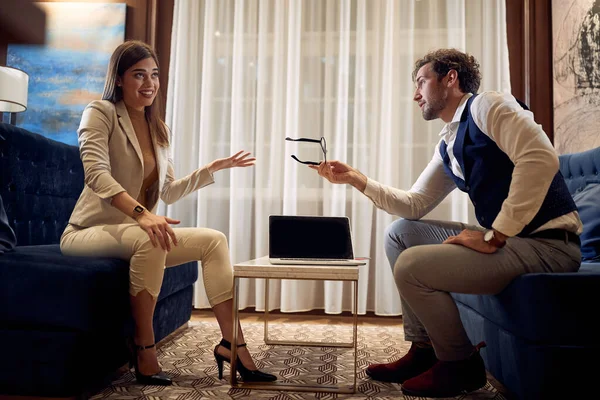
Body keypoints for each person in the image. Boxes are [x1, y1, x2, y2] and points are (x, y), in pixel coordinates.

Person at [311, 48, 582, 398]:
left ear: (450, 78)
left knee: (411, 266)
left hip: (549, 245)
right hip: (511, 240)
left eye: (422, 81)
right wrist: (356, 179)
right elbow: (413, 204)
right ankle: (424, 351)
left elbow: (540, 157)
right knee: (401, 234)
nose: (415, 94)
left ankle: (460, 364)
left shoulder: (488, 106)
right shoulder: (450, 141)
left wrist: (495, 235)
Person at [60, 40, 276, 386]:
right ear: (119, 79)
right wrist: (143, 215)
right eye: (139, 75)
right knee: (152, 234)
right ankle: (144, 348)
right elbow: (96, 174)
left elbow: (169, 191)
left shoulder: (158, 129)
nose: (150, 84)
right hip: (88, 231)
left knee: (213, 240)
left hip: (138, 233)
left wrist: (212, 168)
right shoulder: (100, 113)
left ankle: (233, 345)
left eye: (155, 75)